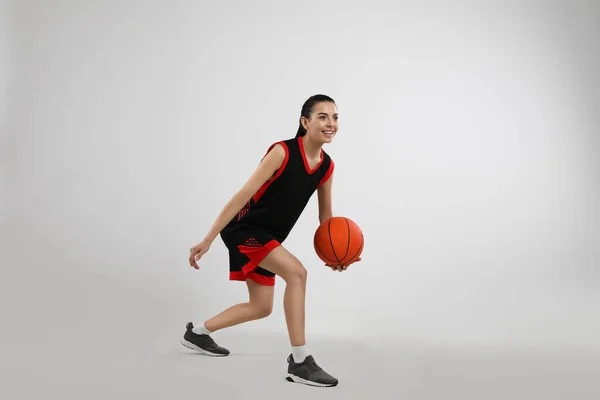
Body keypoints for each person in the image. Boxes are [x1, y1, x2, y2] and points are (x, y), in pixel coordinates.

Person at [183, 94, 359, 387]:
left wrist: (335, 256)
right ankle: (300, 361)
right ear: (305, 122)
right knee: (297, 273)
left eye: (335, 117)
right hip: (244, 228)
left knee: (261, 307)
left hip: (269, 237)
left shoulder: (326, 167)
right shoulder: (282, 152)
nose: (331, 124)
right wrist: (208, 239)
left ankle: (197, 333)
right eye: (323, 117)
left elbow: (326, 219)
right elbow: (242, 195)